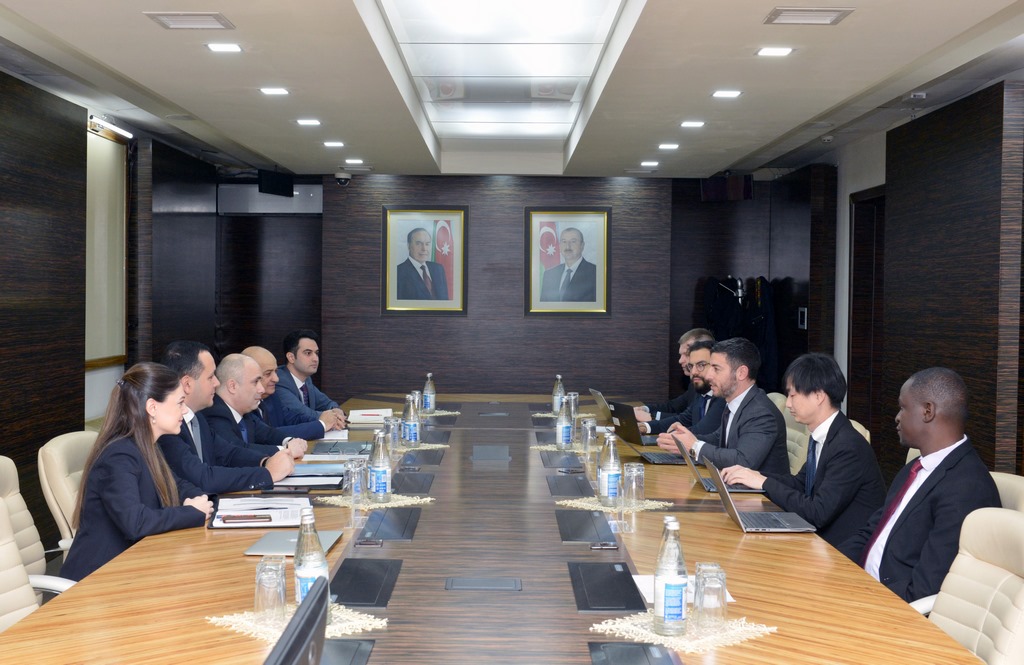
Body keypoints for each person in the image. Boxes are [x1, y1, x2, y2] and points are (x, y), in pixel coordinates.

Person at [838, 367, 1000, 603]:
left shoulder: (967, 487)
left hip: (888, 605)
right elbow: (872, 531)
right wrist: (830, 564)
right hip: (859, 585)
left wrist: (862, 596)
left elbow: (925, 589)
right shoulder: (915, 467)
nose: (897, 417)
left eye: (903, 407)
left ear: (927, 411)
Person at [61, 363, 214, 581]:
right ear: (152, 407)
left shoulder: (147, 446)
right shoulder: (119, 456)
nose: (184, 410)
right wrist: (192, 512)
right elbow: (135, 522)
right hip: (97, 579)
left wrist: (200, 500)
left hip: (132, 565)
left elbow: (177, 485)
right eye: (180, 402)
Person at [721, 353, 886, 547]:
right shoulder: (826, 435)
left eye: (793, 395)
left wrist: (763, 482)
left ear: (818, 396)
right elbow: (801, 484)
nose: (788, 403)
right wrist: (753, 476)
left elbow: (818, 513)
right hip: (820, 539)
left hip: (841, 549)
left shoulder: (848, 446)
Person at [158, 341, 294, 494]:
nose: (217, 383)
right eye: (210, 377)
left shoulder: (197, 418)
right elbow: (203, 478)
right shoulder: (167, 427)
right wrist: (267, 474)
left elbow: (228, 453)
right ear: (187, 384)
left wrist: (265, 462)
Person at [661, 337, 789, 476]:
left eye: (716, 369)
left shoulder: (761, 413)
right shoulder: (735, 402)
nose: (708, 376)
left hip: (758, 490)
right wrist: (684, 439)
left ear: (741, 373)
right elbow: (718, 439)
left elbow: (742, 461)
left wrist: (694, 446)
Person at [203, 354, 308, 459]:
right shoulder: (215, 414)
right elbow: (237, 450)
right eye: (255, 382)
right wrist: (285, 449)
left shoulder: (245, 413)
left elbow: (268, 433)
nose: (261, 389)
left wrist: (290, 441)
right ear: (232, 386)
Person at [242, 345, 341, 440]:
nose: (276, 379)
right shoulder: (244, 405)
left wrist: (330, 415)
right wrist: (321, 424)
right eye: (268, 374)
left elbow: (292, 418)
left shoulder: (272, 396)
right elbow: (268, 435)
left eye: (276, 371)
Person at [638, 340, 725, 436]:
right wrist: (645, 427)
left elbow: (702, 431)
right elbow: (682, 419)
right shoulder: (701, 394)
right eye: (691, 366)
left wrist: (674, 432)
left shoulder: (723, 396)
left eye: (701, 365)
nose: (694, 372)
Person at [635, 328, 715, 424]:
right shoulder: (695, 385)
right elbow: (674, 407)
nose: (680, 361)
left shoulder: (719, 391)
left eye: (686, 354)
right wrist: (645, 409)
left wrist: (652, 416)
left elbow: (691, 422)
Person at [274, 329, 346, 428]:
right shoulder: (279, 381)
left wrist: (336, 410)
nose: (315, 359)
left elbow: (327, 403)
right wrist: (332, 417)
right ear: (291, 357)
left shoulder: (306, 380)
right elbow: (301, 413)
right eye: (308, 353)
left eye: (316, 353)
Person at [539, 227, 597, 302]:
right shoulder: (549, 274)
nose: (567, 246)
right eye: (564, 241)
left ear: (582, 245)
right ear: (559, 245)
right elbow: (543, 306)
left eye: (573, 241)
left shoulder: (596, 273)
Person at [396, 227, 449, 300]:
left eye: (427, 244)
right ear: (409, 246)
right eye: (418, 244)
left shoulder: (438, 269)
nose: (424, 249)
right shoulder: (398, 272)